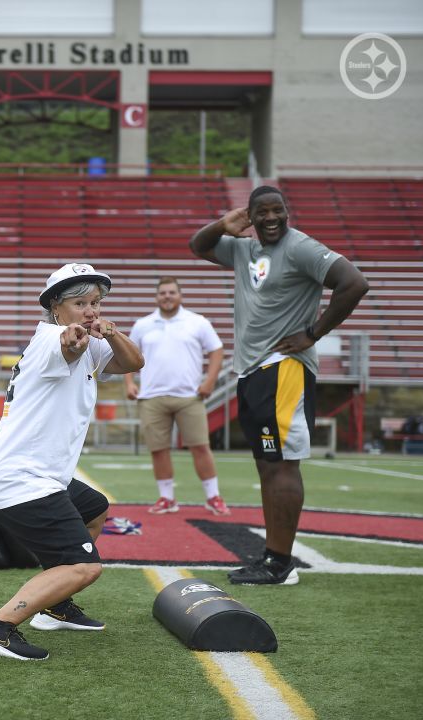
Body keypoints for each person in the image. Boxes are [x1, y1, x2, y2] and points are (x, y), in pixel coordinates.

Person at [189, 186, 369, 585]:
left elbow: (354, 282)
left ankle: (281, 562)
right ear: (250, 216)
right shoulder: (243, 249)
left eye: (278, 210)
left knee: (282, 465)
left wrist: (313, 333)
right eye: (262, 212)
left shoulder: (301, 246)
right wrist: (223, 224)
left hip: (284, 367)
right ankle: (274, 557)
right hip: (253, 370)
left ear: (288, 212)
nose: (272, 218)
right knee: (267, 465)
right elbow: (197, 245)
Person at [0, 263, 144, 660]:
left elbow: (134, 363)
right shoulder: (50, 338)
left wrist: (110, 331)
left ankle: (54, 604)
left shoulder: (94, 341)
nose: (90, 310)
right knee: (85, 567)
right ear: (55, 308)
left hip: (41, 475)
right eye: (79, 303)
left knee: (95, 509)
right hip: (18, 480)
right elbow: (67, 343)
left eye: (95, 302)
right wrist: (74, 335)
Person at [124, 276, 229, 515]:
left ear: (180, 295)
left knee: (200, 446)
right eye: (163, 293)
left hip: (188, 396)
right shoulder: (143, 324)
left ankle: (213, 496)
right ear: (156, 297)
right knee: (158, 449)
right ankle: (166, 498)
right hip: (151, 396)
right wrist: (129, 383)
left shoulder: (197, 322)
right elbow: (129, 355)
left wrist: (210, 381)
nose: (167, 296)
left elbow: (216, 349)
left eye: (171, 292)